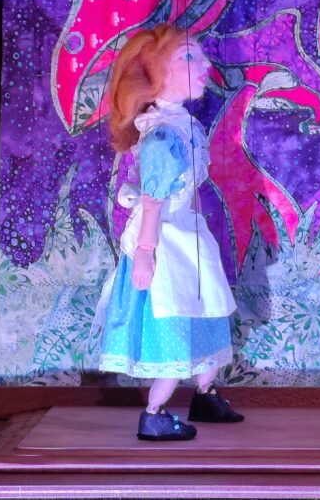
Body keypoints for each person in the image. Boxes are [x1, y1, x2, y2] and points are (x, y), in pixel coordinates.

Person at [97, 24, 243, 441]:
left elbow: (186, 189)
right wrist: (146, 251)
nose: (205, 65)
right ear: (155, 74)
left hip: (187, 233)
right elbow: (153, 200)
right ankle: (154, 413)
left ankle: (205, 393)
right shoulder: (162, 135)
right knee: (176, 315)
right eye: (188, 57)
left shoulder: (183, 125)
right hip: (165, 239)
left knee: (209, 310)